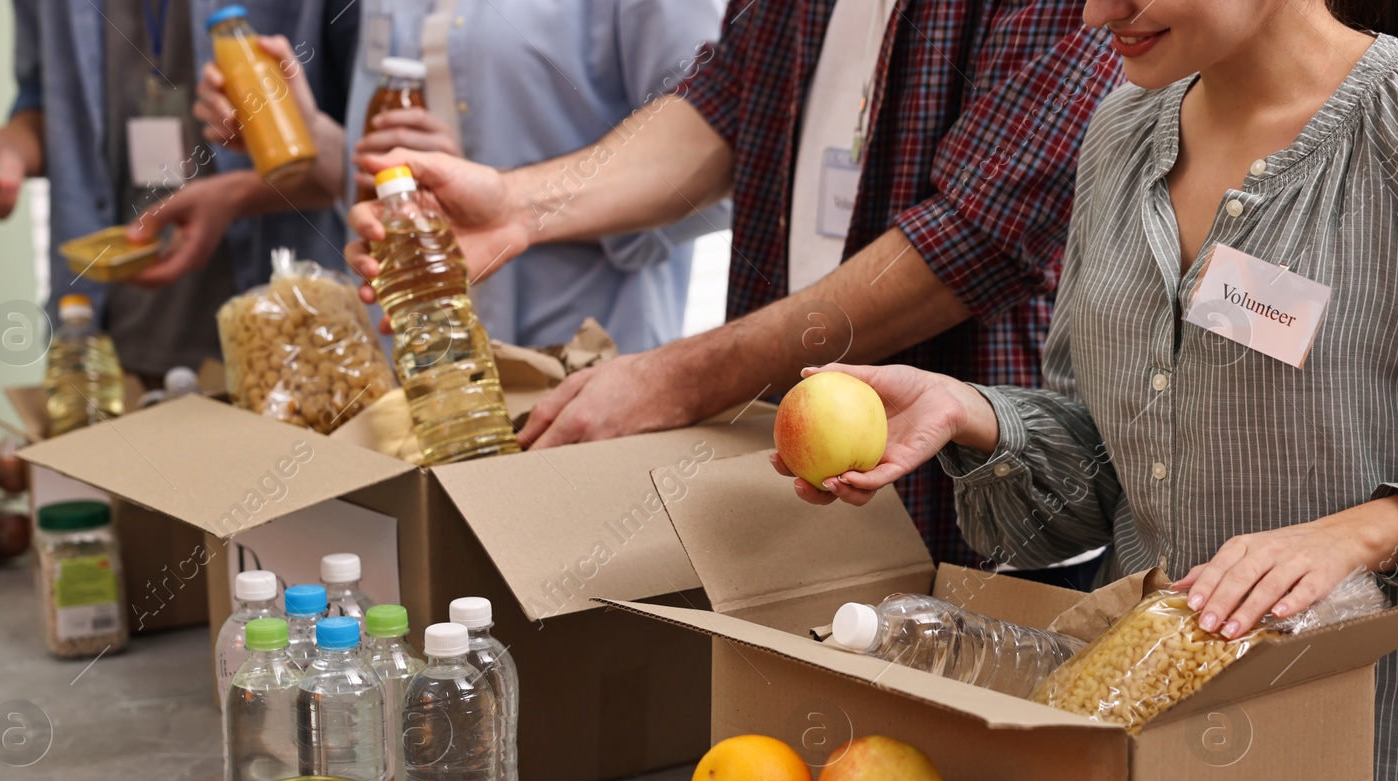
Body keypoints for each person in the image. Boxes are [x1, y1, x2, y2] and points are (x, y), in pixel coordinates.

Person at [775, 0, 1398, 781]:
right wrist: (973, 417)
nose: (1090, 11)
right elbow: (1103, 463)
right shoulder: (1120, 132)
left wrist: (1366, 527)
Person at [345, 0, 1123, 576]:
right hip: (784, 468)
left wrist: (682, 376)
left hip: (967, 505)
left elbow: (969, 238)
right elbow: (721, 103)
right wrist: (521, 205)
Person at [169, 0, 729, 352]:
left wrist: (509, 192)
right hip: (420, 366)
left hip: (581, 363)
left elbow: (721, 161)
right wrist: (309, 133)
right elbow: (382, 175)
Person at [0, 0, 353, 381]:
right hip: (114, 346)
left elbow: (372, 156)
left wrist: (237, 195)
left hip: (292, 353)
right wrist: (9, 149)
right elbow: (48, 104)